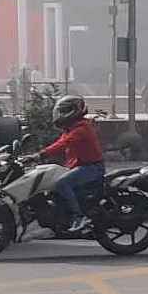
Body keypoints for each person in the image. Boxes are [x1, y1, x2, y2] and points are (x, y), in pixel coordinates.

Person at [37, 95, 105, 233]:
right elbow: (59, 143)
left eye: (63, 111)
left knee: (62, 183)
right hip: (79, 166)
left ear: (72, 111)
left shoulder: (81, 129)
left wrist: (41, 154)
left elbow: (63, 144)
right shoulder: (72, 128)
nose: (60, 115)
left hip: (91, 168)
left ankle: (79, 217)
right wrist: (38, 156)